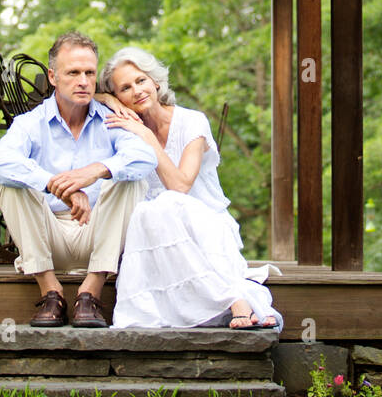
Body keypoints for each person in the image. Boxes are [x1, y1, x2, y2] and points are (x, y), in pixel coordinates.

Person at [96, 47, 282, 330]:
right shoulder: (125, 128)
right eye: (124, 88)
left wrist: (147, 137)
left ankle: (234, 299)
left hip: (204, 225)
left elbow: (179, 186)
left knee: (165, 204)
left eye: (141, 80)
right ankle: (236, 301)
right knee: (147, 212)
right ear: (118, 99)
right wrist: (103, 97)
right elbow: (75, 97)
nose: (136, 90)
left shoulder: (191, 121)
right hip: (155, 233)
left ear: (155, 81)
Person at [0, 32, 156, 327]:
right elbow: (0, 160)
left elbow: (145, 158)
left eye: (89, 73)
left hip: (99, 236)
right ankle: (50, 293)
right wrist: (57, 184)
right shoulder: (30, 123)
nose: (83, 81)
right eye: (73, 72)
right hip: (47, 238)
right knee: (8, 184)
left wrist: (94, 171)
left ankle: (90, 294)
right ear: (53, 76)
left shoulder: (109, 120)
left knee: (131, 179)